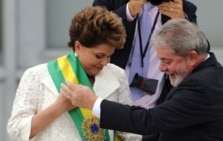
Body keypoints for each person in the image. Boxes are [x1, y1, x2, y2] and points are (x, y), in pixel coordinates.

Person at [61, 18, 223, 141]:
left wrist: (93, 102)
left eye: (166, 61)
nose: (161, 68)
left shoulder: (201, 86)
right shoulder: (204, 74)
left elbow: (149, 121)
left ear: (192, 57)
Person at [7, 6, 139, 141]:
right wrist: (59, 107)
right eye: (99, 56)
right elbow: (17, 131)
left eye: (109, 56)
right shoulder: (38, 75)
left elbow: (130, 133)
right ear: (78, 46)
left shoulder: (117, 75)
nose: (105, 62)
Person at [93, 0, 197, 108]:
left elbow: (200, 52)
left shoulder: (182, 7)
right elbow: (92, 36)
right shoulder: (111, 2)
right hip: (109, 101)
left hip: (154, 109)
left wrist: (183, 24)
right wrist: (127, 11)